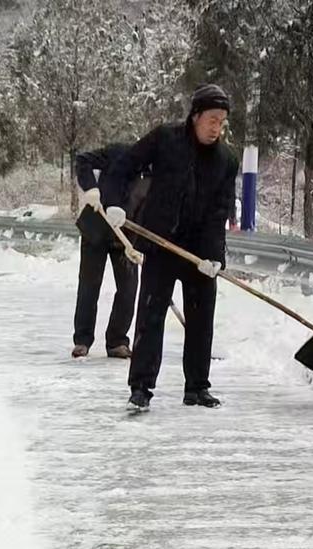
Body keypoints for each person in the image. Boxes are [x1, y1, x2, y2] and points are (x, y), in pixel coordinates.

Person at [104, 84, 239, 411]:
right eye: (211, 119)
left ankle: (196, 387)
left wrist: (215, 259)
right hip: (161, 243)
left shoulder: (226, 159)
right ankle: (141, 388)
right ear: (195, 116)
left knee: (201, 319)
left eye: (221, 122)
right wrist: (114, 203)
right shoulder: (166, 139)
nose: (216, 128)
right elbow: (124, 165)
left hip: (199, 251)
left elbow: (221, 210)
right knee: (151, 316)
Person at [70, 142, 141, 359]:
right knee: (89, 286)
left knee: (128, 288)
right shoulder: (121, 152)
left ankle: (117, 341)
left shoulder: (158, 173)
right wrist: (91, 188)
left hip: (127, 237)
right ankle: (82, 340)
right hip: (97, 228)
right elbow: (83, 160)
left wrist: (141, 246)